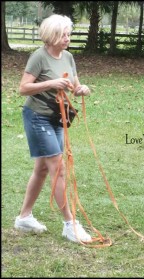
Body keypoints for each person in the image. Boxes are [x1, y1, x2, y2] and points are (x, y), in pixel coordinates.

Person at [14, 14, 91, 243]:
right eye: (63, 34)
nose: (67, 38)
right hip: (37, 117)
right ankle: (70, 224)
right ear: (51, 36)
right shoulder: (38, 57)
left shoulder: (68, 56)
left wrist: (82, 89)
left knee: (43, 169)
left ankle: (24, 217)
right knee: (58, 168)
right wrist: (50, 83)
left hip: (57, 118)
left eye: (69, 33)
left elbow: (74, 86)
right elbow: (23, 88)